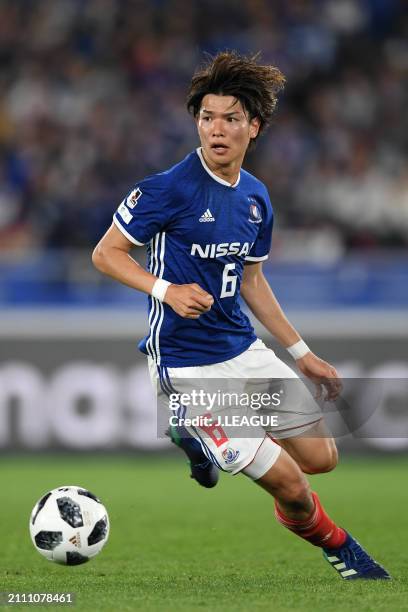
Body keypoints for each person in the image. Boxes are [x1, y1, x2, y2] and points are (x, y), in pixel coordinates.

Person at [92, 51, 390, 580]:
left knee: (321, 460)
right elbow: (105, 253)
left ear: (253, 127)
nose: (216, 129)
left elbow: (252, 281)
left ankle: (214, 438)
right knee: (294, 487)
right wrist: (166, 290)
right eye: (207, 117)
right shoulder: (168, 188)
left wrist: (303, 354)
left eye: (230, 118)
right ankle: (343, 549)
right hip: (188, 366)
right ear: (197, 124)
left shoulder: (256, 198)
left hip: (244, 352)